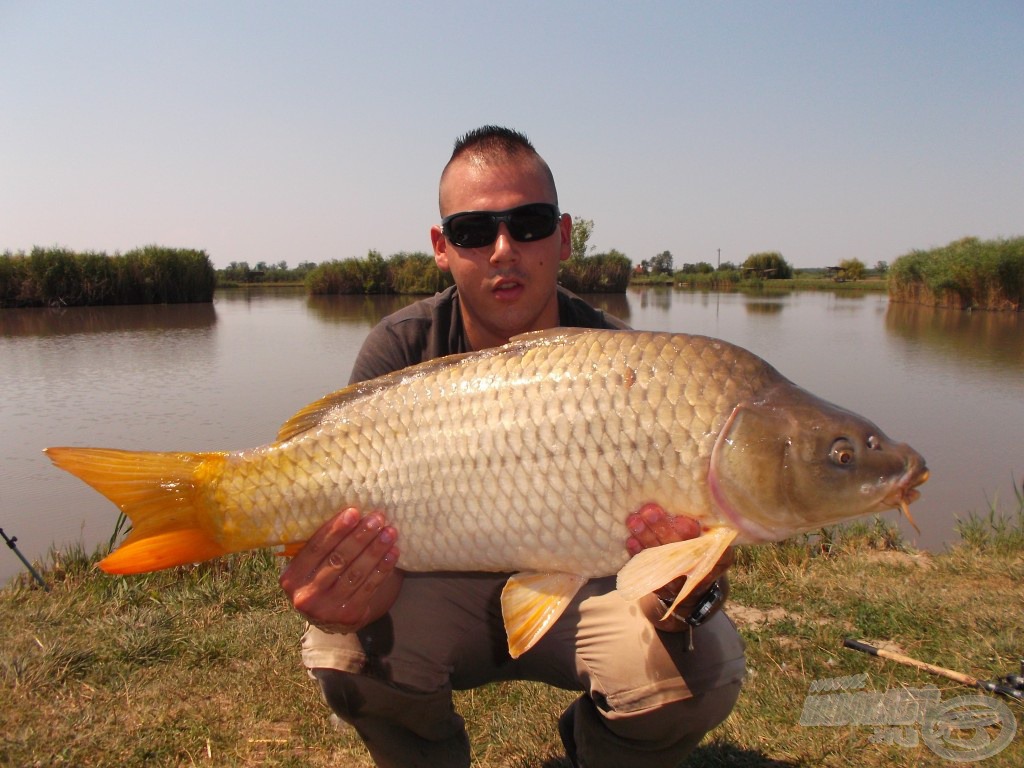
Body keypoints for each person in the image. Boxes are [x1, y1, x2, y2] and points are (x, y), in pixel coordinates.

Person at [279, 126, 745, 767]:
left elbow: (674, 597)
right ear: (442, 247)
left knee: (704, 666)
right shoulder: (400, 350)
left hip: (587, 592)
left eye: (528, 223)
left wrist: (687, 588)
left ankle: (594, 752)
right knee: (344, 653)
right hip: (434, 591)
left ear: (564, 235)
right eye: (474, 231)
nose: (504, 250)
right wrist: (349, 593)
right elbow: (374, 577)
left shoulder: (631, 367)